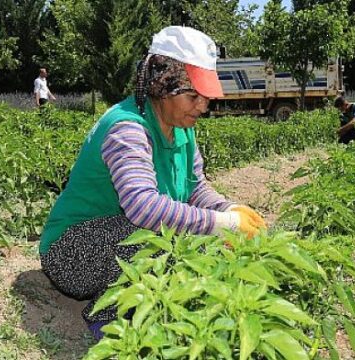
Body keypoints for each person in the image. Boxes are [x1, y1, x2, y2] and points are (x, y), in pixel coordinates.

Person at [38, 26, 266, 340]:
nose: (202, 106)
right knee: (159, 237)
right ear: (162, 85)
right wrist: (223, 223)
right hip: (72, 251)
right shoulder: (127, 128)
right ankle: (110, 316)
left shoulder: (183, 128)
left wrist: (230, 208)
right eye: (192, 96)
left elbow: (195, 186)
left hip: (116, 241)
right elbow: (143, 207)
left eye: (206, 98)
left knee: (196, 238)